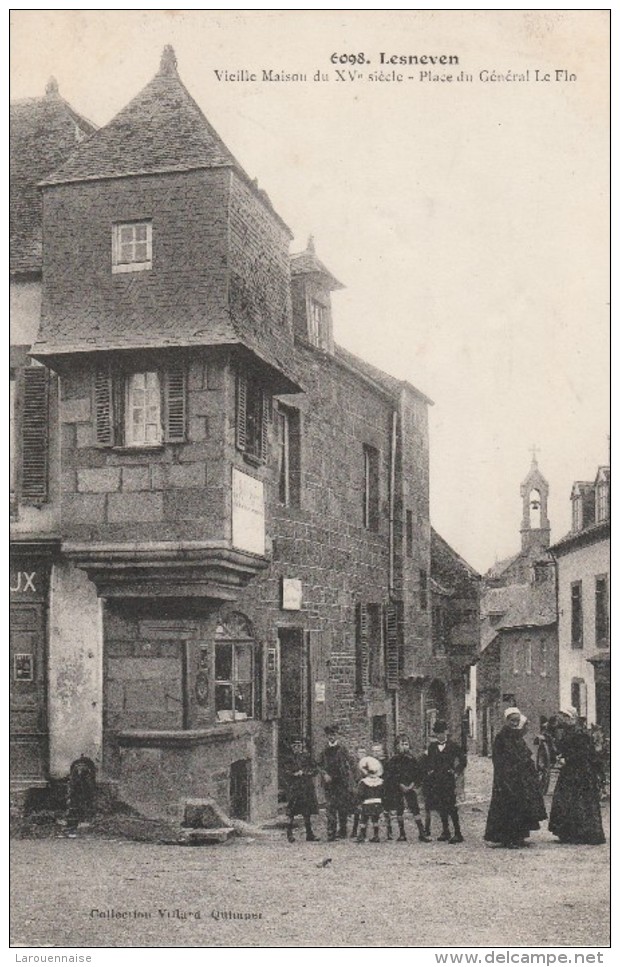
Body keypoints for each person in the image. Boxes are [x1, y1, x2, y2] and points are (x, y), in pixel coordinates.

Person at [484, 707, 547, 848]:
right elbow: (498, 759)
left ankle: (519, 837)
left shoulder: (517, 735)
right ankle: (508, 838)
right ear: (506, 721)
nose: (514, 723)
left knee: (521, 807)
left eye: (517, 721)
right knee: (508, 807)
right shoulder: (501, 737)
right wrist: (505, 776)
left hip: (520, 778)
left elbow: (524, 754)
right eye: (512, 720)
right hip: (507, 778)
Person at [548, 712, 606, 845]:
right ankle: (568, 833)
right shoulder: (567, 732)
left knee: (580, 801)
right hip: (570, 772)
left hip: (581, 772)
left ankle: (583, 833)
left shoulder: (581, 734)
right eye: (564, 718)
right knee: (568, 800)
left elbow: (583, 754)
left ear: (573, 718)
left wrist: (566, 759)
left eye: (568, 717)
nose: (565, 720)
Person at [422, 720, 467, 843]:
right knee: (441, 806)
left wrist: (455, 771)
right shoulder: (432, 747)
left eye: (442, 732)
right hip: (436, 780)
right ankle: (445, 831)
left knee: (451, 806)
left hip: (448, 780)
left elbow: (463, 760)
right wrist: (429, 770)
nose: (440, 735)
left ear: (446, 732)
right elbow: (426, 761)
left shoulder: (453, 746)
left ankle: (458, 833)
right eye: (437, 733)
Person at [384, 733, 431, 842]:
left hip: (410, 787)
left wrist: (412, 784)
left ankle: (421, 833)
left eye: (406, 744)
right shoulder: (393, 761)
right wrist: (399, 785)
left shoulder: (412, 760)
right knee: (399, 809)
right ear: (397, 746)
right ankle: (402, 833)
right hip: (398, 788)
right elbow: (390, 776)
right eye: (402, 744)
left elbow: (418, 773)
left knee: (415, 809)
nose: (404, 747)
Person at [318, 725, 356, 841]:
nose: (331, 737)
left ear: (337, 735)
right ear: (327, 736)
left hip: (341, 782)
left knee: (342, 806)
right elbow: (319, 765)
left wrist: (349, 777)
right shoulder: (324, 750)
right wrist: (324, 774)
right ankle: (331, 832)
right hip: (329, 783)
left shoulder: (342, 749)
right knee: (330, 806)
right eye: (329, 735)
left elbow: (350, 762)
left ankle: (343, 830)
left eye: (333, 734)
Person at [283, 738, 319, 843]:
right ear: (291, 747)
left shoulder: (307, 757)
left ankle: (309, 834)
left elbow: (315, 769)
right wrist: (293, 774)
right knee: (291, 811)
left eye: (298, 746)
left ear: (301, 747)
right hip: (295, 788)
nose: (296, 748)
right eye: (294, 746)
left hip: (306, 787)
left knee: (307, 812)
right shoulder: (288, 759)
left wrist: (304, 772)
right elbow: (285, 772)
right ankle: (289, 834)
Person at [356, 756, 385, 842]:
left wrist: (358, 802)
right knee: (375, 819)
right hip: (378, 803)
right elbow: (383, 793)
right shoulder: (380, 782)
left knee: (363, 819)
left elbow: (360, 794)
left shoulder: (364, 782)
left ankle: (362, 835)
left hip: (367, 803)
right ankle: (376, 835)